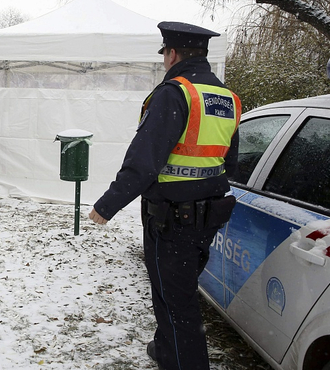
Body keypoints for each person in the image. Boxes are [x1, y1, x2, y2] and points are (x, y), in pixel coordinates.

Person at [88, 22, 241, 370]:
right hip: (209, 215)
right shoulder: (228, 98)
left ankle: (182, 360)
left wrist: (107, 205)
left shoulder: (175, 93)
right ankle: (165, 348)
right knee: (178, 293)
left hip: (173, 219)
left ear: (171, 54)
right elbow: (228, 163)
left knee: (176, 304)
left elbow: (145, 161)